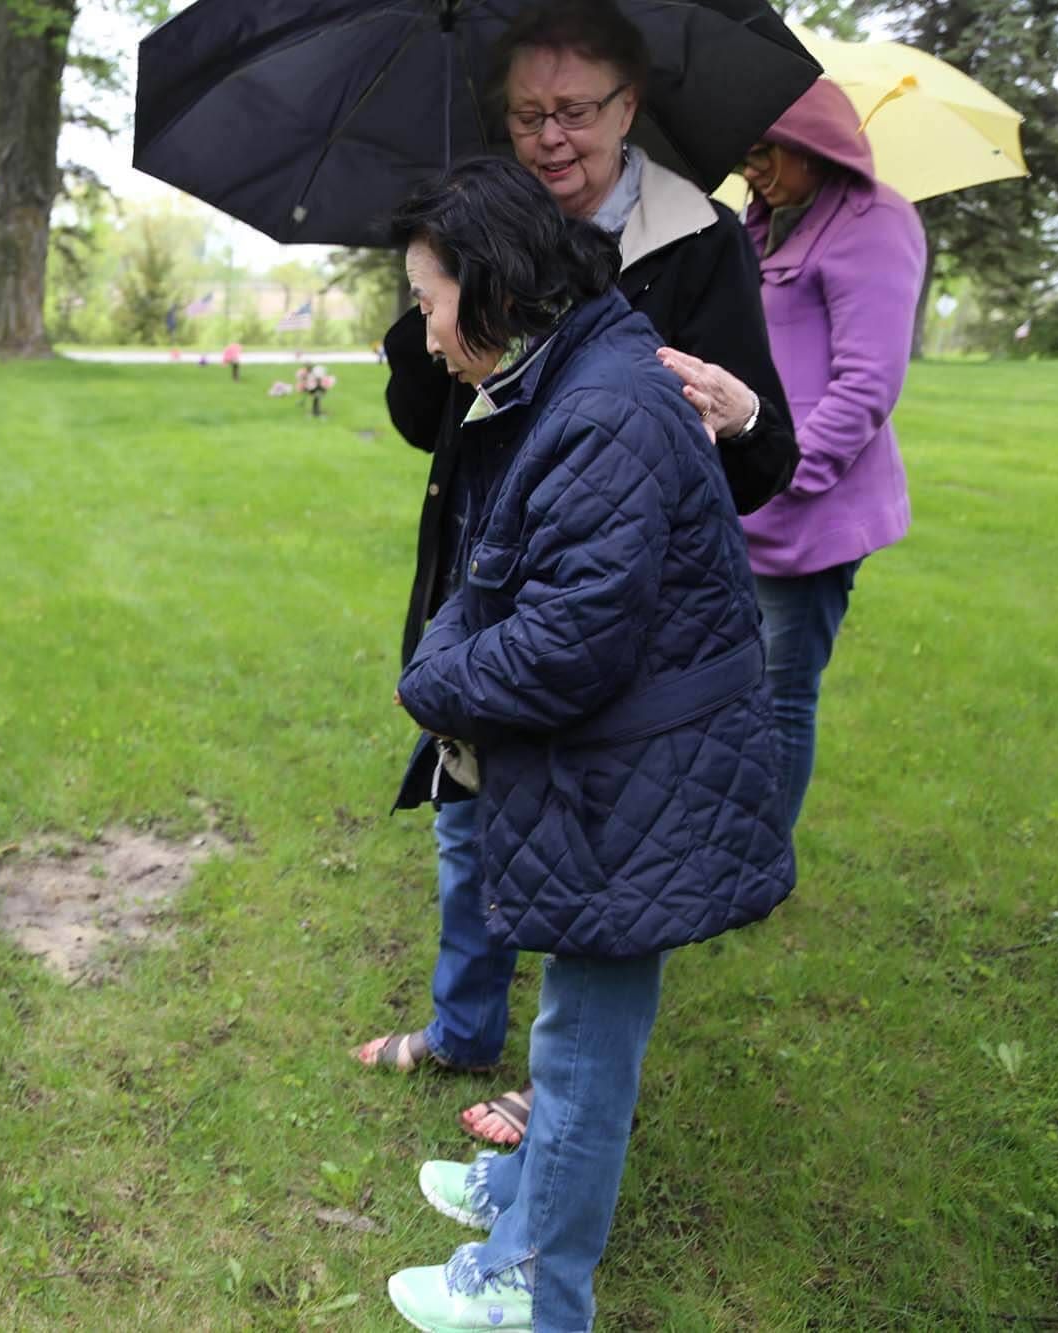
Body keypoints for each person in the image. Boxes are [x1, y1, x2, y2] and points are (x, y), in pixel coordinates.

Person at [362, 0, 800, 1153]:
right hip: (486, 567)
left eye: (574, 112)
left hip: (608, 603)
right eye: (525, 115)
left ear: (629, 106)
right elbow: (421, 420)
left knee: (585, 844)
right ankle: (462, 1023)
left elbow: (761, 460)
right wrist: (440, 311)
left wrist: (738, 410)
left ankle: (558, 1082)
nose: (550, 137)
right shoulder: (470, 234)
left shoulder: (695, 241)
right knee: (465, 816)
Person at [729, 78, 924, 830]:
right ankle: (728, 834)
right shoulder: (760, 224)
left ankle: (760, 862)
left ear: (813, 145)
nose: (752, 171)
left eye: (763, 154)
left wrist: (780, 473)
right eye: (745, 157)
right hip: (753, 491)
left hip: (814, 508)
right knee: (733, 682)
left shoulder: (877, 224)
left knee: (780, 696)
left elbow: (867, 385)